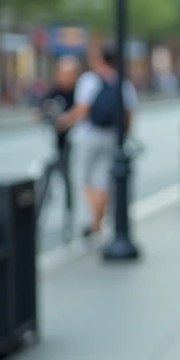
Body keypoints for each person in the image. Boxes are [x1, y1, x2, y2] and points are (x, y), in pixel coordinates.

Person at [61, 44, 138, 239]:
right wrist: (124, 135)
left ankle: (95, 220)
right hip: (112, 135)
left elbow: (82, 109)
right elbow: (129, 113)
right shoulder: (123, 82)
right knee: (104, 180)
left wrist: (64, 120)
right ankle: (97, 221)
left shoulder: (89, 80)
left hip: (90, 135)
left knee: (85, 178)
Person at [36, 57, 80, 220]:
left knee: (69, 177)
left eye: (70, 74)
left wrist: (69, 119)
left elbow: (83, 111)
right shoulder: (53, 92)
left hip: (75, 143)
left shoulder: (79, 91)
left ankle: (70, 212)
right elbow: (39, 109)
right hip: (57, 142)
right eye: (63, 73)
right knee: (49, 173)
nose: (66, 77)